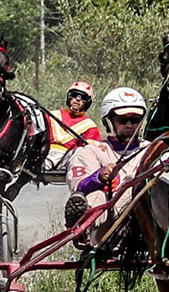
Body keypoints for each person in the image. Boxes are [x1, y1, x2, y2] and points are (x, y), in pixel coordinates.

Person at [63, 86, 149, 236]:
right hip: (108, 222)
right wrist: (99, 176)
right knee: (96, 195)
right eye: (122, 120)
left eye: (135, 120)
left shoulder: (152, 149)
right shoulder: (91, 151)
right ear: (108, 121)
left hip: (149, 214)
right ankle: (84, 226)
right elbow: (79, 185)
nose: (129, 125)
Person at [56, 80, 103, 148]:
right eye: (74, 95)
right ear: (68, 97)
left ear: (88, 103)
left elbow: (94, 152)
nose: (78, 99)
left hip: (73, 157)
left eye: (83, 97)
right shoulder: (51, 116)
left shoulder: (90, 127)